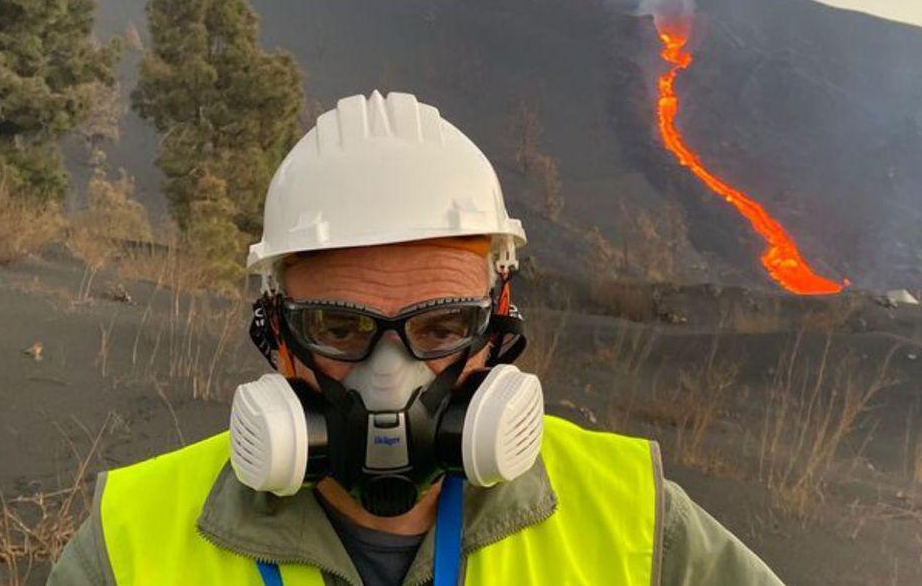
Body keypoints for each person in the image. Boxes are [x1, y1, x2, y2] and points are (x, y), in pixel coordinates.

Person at [48, 92, 781, 585]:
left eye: (440, 327)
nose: (391, 377)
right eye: (339, 328)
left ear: (497, 323)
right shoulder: (129, 544)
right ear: (276, 331)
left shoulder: (638, 526)